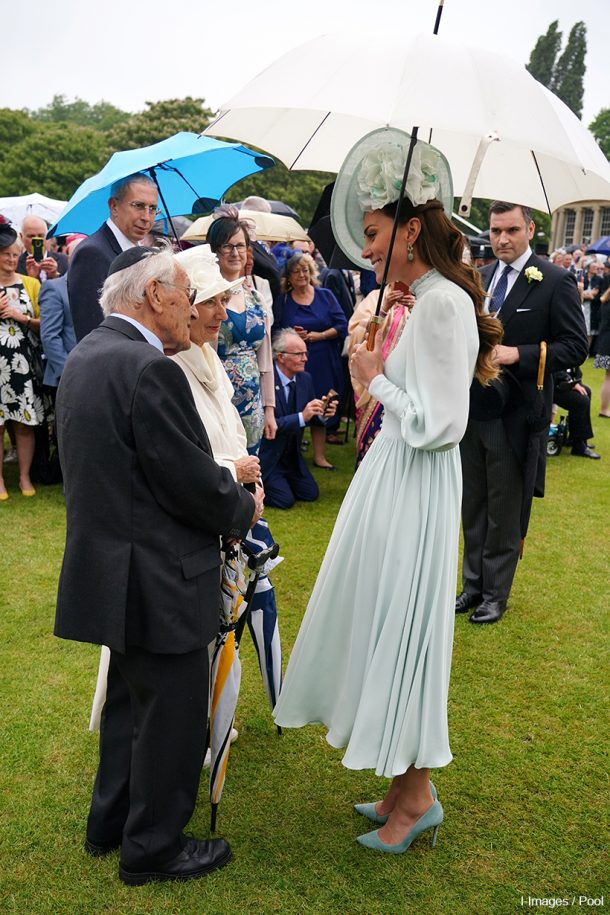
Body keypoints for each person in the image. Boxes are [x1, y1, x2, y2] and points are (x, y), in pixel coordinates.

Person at [274, 130, 502, 853]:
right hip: (395, 478)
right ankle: (406, 787)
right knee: (384, 624)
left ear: (410, 229)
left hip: (417, 483)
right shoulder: (424, 297)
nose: (363, 250)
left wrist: (377, 380)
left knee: (404, 632)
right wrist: (380, 363)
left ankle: (419, 798)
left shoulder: (441, 304)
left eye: (372, 235)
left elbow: (442, 422)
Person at [54, 246, 262, 885]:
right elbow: (190, 482)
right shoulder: (150, 368)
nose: (188, 302)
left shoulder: (90, 354)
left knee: (128, 705)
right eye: (181, 290)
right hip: (160, 573)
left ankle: (110, 822)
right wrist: (241, 505)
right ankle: (153, 848)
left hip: (114, 567)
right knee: (171, 713)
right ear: (154, 296)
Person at [456, 202, 588, 624]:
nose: (502, 239)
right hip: (474, 407)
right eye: (495, 231)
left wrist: (520, 353)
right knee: (473, 503)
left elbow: (575, 345)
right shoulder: (483, 277)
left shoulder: (555, 280)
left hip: (518, 415)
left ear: (530, 229)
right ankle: (471, 586)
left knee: (505, 508)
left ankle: (495, 593)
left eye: (511, 229)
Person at [208, 214, 277, 450]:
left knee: (252, 473)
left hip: (253, 404)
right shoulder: (206, 300)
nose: (235, 253)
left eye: (240, 246)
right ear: (214, 251)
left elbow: (265, 361)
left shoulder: (256, 299)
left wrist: (269, 409)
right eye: (227, 246)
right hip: (218, 400)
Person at [275, 252, 348, 470]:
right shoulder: (284, 301)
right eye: (296, 271)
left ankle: (319, 455)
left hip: (323, 358)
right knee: (295, 405)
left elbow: (342, 324)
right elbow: (276, 329)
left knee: (321, 402)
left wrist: (319, 336)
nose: (301, 275)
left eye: (305, 270)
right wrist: (292, 334)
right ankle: (290, 452)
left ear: (311, 272)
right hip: (294, 363)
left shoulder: (325, 295)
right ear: (288, 277)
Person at [68, 172, 158, 341]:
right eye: (138, 206)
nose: (146, 217)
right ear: (114, 206)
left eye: (152, 208)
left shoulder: (142, 253)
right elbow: (92, 332)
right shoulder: (92, 253)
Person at [259, 328, 337, 508]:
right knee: (284, 500)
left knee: (310, 494)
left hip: (292, 458)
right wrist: (302, 416)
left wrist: (323, 414)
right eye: (299, 354)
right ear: (280, 357)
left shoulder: (305, 378)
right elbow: (269, 427)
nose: (305, 358)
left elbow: (311, 418)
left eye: (305, 353)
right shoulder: (265, 381)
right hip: (270, 457)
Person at [347, 283, 414, 467]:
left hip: (403, 384)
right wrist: (383, 310)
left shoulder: (422, 299)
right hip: (373, 382)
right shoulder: (375, 297)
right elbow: (355, 334)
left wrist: (415, 310)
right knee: (371, 445)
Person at [0, 223, 44, 500]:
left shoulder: (31, 284)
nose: (11, 259)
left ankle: (25, 476)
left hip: (23, 364)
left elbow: (45, 324)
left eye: (15, 255)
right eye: (5, 254)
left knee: (24, 422)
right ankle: (0, 481)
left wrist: (22, 318)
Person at [39, 236, 83, 387]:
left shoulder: (98, 287)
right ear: (69, 257)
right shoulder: (54, 288)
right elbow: (50, 336)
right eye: (78, 254)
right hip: (66, 378)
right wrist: (68, 373)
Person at [552, 367, 600, 459]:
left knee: (586, 392)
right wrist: (568, 380)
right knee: (581, 400)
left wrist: (575, 382)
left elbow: (574, 366)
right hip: (549, 384)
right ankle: (579, 446)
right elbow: (555, 366)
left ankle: (575, 439)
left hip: (561, 381)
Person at [18, 215, 68, 281]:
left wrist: (55, 275)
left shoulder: (63, 260)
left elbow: (70, 287)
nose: (37, 240)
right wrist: (32, 279)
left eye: (41, 236)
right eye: (31, 236)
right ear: (22, 237)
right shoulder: (16, 264)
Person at [594, 282, 610, 418]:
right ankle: (604, 409)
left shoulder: (605, 300)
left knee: (608, 378)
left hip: (605, 343)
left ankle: (604, 409)